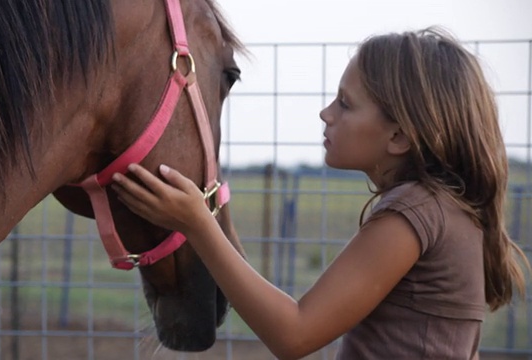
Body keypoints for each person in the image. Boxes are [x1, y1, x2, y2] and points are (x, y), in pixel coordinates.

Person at [110, 27, 529, 359]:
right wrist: (209, 220)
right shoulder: (449, 212)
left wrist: (197, 225)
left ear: (399, 136)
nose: (326, 114)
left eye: (345, 104)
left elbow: (293, 335)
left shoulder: (414, 214)